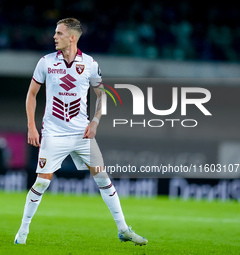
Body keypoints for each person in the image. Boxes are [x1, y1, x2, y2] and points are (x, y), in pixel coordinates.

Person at [14, 18, 148, 246]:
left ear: (72, 37)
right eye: (55, 33)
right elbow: (32, 94)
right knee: (42, 183)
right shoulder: (46, 62)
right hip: (54, 134)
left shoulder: (90, 64)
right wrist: (31, 126)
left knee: (104, 179)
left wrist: (95, 121)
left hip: (81, 135)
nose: (54, 37)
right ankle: (22, 235)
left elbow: (102, 96)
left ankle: (123, 229)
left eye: (59, 33)